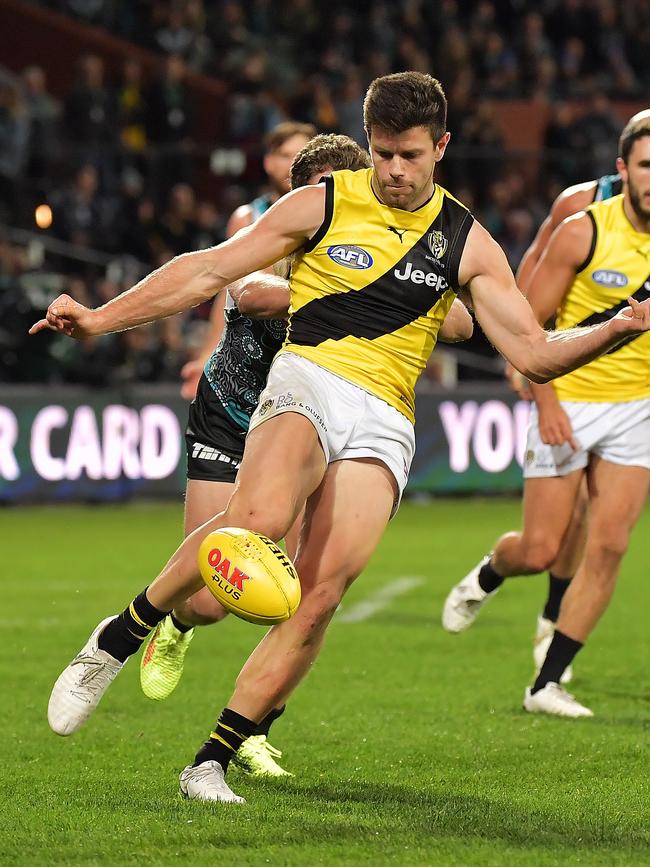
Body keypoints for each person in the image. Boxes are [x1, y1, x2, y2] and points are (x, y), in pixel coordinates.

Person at [32, 73, 650, 804]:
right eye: (383, 152)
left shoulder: (467, 242)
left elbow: (533, 351)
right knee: (254, 526)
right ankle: (119, 636)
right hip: (309, 378)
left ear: (442, 147)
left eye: (410, 155)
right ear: (368, 144)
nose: (394, 170)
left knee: (319, 595)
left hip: (386, 418)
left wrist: (613, 329)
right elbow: (209, 270)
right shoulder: (320, 202)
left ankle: (212, 758)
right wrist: (101, 317)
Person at [141, 133, 474, 731]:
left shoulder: (383, 240)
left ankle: (254, 729)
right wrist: (344, 290)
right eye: (312, 188)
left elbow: (458, 320)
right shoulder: (268, 224)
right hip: (236, 410)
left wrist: (390, 289)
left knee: (297, 592)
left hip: (309, 417)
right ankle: (174, 624)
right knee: (211, 601)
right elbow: (250, 293)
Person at [443, 111, 650, 719]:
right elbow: (530, 327)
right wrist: (548, 399)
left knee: (609, 547)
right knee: (539, 549)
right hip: (572, 399)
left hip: (637, 408)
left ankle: (547, 683)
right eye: (646, 165)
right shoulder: (582, 230)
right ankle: (490, 572)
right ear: (622, 171)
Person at [511, 169, 624, 681]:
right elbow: (533, 272)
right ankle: (513, 582)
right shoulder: (580, 208)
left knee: (605, 535)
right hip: (570, 380)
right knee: (552, 534)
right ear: (624, 166)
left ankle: (554, 625)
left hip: (630, 395)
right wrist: (523, 360)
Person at [180, 120, 317, 401]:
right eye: (285, 155)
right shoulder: (247, 218)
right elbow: (226, 292)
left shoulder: (328, 216)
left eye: (302, 156)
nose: (293, 164)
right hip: (253, 353)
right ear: (268, 162)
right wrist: (206, 357)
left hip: (308, 353)